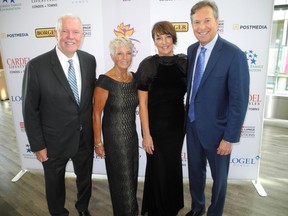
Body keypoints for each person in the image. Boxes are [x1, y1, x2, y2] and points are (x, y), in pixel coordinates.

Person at [22, 14, 96, 216]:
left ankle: (82, 209)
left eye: (75, 32)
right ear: (56, 33)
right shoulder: (37, 66)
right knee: (54, 186)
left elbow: (88, 101)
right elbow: (30, 110)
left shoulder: (89, 61)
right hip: (53, 142)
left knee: (85, 180)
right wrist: (37, 145)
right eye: (65, 31)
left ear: (82, 35)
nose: (70, 36)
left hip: (84, 138)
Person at [185, 1, 250, 216]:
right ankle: (197, 208)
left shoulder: (234, 55)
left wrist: (229, 137)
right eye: (196, 22)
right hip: (192, 126)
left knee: (219, 179)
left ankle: (215, 212)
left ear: (217, 22)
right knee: (195, 172)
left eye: (206, 21)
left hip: (219, 132)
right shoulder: (192, 50)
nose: (201, 27)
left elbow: (239, 101)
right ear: (192, 24)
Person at [136, 21, 187, 216]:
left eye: (167, 36)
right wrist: (146, 135)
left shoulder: (185, 62)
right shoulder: (148, 65)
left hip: (176, 127)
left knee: (172, 165)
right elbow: (143, 104)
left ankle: (171, 208)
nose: (164, 42)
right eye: (159, 37)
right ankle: (156, 209)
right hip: (154, 128)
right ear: (154, 41)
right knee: (157, 168)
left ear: (173, 38)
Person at [93, 36, 139, 216]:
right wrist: (98, 142)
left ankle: (130, 210)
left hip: (131, 137)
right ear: (112, 56)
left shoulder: (133, 78)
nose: (125, 57)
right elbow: (96, 114)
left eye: (128, 53)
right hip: (114, 139)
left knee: (131, 178)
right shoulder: (105, 82)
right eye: (120, 53)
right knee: (121, 180)